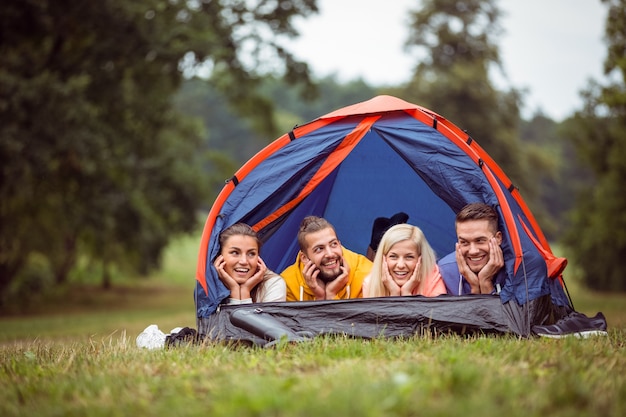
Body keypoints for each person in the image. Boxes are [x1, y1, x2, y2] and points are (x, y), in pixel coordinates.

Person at [281, 216, 372, 301]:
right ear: (304, 258)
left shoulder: (367, 274)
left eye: (333, 244)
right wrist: (320, 298)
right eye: (319, 249)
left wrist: (331, 295)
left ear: (340, 245)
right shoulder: (287, 285)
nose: (330, 254)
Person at [438, 202, 505, 295]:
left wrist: (485, 282)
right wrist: (474, 287)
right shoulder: (445, 271)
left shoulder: (516, 269)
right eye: (464, 242)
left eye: (480, 240)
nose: (473, 251)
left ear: (498, 238)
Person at [363, 224, 446, 297]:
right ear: (383, 258)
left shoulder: (433, 279)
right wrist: (394, 293)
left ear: (420, 259)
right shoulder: (371, 284)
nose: (401, 265)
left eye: (409, 257)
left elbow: (435, 314)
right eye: (393, 256)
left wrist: (407, 293)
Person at [213, 223, 286, 304]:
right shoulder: (209, 284)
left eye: (251, 254)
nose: (244, 261)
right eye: (235, 252)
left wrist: (244, 291)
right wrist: (235, 289)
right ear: (219, 256)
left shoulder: (273, 284)